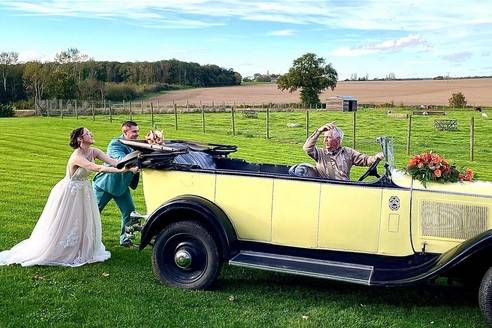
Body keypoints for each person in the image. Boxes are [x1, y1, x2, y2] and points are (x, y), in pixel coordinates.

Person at [0, 127, 137, 267]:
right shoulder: (77, 157)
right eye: (88, 133)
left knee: (85, 219)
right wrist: (124, 170)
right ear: (80, 139)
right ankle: (60, 249)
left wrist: (131, 163)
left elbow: (113, 161)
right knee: (67, 220)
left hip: (84, 189)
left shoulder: (94, 151)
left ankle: (81, 247)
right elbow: (98, 168)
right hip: (70, 191)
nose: (91, 134)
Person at [93, 121, 140, 247]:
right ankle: (86, 239)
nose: (137, 134)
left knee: (129, 212)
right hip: (105, 185)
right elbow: (121, 161)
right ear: (125, 132)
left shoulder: (136, 144)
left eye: (138, 131)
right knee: (93, 212)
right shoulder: (115, 144)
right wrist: (136, 162)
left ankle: (125, 240)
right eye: (134, 131)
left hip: (122, 186)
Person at [303, 121, 384, 181]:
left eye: (328, 137)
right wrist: (318, 132)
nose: (325, 140)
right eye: (324, 137)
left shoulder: (348, 152)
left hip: (345, 188)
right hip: (327, 189)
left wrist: (376, 157)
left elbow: (366, 160)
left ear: (338, 140)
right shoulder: (320, 153)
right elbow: (307, 148)